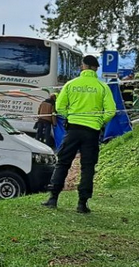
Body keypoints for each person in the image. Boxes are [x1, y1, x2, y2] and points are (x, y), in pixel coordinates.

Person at [42, 55, 116, 214]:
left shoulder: (71, 84)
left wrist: (69, 117)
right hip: (92, 131)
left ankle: (53, 198)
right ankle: (82, 204)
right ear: (96, 68)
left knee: (63, 163)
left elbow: (60, 107)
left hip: (73, 129)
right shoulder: (102, 87)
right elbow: (111, 110)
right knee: (88, 167)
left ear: (83, 66)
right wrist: (99, 121)